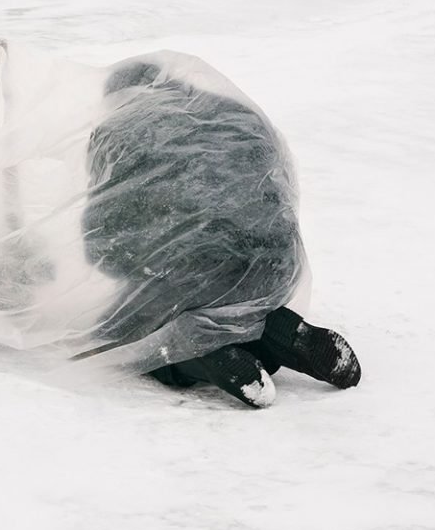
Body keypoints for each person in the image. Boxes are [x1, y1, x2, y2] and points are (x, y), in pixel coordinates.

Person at [81, 57, 360, 408]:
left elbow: (100, 234)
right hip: (273, 269)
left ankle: (201, 358)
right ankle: (278, 330)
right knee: (227, 295)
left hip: (193, 272)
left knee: (120, 335)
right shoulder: (232, 113)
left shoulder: (118, 131)